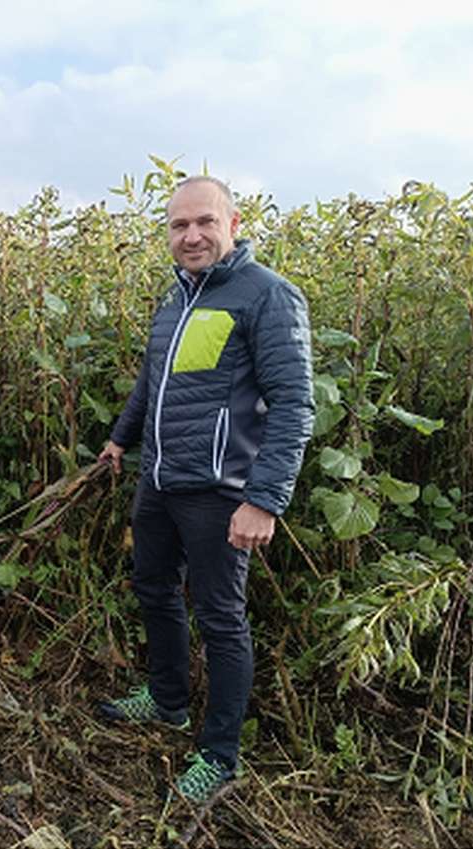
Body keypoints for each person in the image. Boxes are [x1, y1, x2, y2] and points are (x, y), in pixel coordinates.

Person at [94, 175, 314, 804]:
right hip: (160, 480)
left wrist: (264, 499)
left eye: (204, 223)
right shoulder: (175, 300)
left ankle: (219, 755)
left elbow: (294, 404)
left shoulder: (267, 297)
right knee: (153, 587)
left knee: (221, 618)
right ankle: (167, 703)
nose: (191, 236)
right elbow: (152, 384)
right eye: (178, 226)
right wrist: (120, 439)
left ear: (233, 225)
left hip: (221, 491)